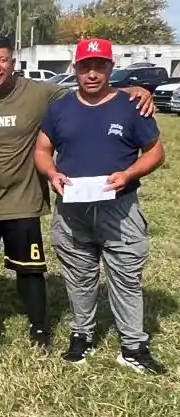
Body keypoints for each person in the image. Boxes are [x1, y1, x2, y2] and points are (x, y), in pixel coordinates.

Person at [0, 37, 153, 352]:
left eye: (2, 60)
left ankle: (39, 326)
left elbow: (90, 91)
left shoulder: (41, 92)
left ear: (13, 62)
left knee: (30, 269)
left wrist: (133, 90)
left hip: (22, 199)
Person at [34, 39, 166, 374]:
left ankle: (133, 346)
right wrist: (52, 173)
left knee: (125, 276)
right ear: (75, 68)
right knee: (79, 275)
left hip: (119, 208)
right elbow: (42, 150)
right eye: (85, 67)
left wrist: (129, 174)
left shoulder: (130, 106)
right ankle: (82, 335)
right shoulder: (61, 108)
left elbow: (155, 152)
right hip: (72, 207)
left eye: (99, 66)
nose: (92, 74)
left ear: (110, 67)